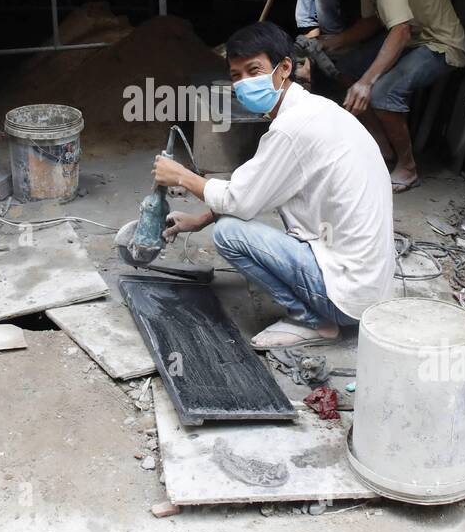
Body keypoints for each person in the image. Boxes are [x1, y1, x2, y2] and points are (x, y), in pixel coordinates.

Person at [153, 21, 394, 350]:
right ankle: (318, 313)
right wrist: (198, 220)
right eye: (236, 76)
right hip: (369, 285)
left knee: (230, 235)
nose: (244, 83)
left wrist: (182, 176)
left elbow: (240, 201)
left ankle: (313, 321)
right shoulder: (316, 111)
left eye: (254, 70)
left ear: (283, 69)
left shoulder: (292, 129)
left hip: (345, 295)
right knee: (233, 217)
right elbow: (254, 186)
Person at [319, 0, 465, 193]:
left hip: (439, 44)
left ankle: (408, 167)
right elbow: (374, 20)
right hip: (412, 38)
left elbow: (400, 30)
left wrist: (366, 82)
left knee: (383, 92)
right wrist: (333, 42)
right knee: (343, 66)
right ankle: (381, 143)